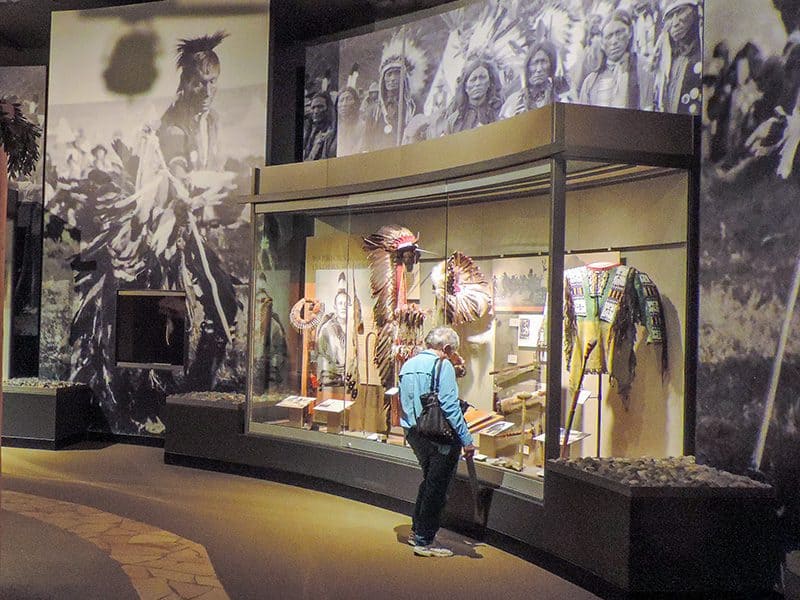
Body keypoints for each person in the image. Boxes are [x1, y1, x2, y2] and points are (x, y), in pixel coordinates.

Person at [399, 326, 475, 557]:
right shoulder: (443, 366)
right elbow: (450, 406)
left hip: (413, 432)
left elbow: (403, 401)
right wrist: (466, 439)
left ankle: (418, 531)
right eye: (453, 352)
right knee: (438, 487)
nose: (454, 356)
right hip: (437, 435)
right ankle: (424, 540)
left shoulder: (408, 364)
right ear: (447, 348)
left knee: (430, 480)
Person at [578, 10, 644, 110]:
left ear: (630, 32)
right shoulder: (590, 81)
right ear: (602, 43)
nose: (614, 41)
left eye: (619, 33)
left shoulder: (642, 70)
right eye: (609, 36)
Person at [652, 0, 702, 114]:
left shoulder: (700, 56)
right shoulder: (665, 60)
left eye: (680, 12)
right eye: (671, 16)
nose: (675, 23)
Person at [501, 41, 567, 118]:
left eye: (544, 62)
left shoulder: (561, 99)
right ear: (528, 68)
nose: (539, 69)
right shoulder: (514, 101)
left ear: (551, 66)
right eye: (535, 63)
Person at [443, 57, 504, 135]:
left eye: (482, 77)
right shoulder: (453, 121)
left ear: (489, 82)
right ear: (465, 86)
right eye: (473, 79)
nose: (478, 83)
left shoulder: (499, 110)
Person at [316, 280, 348, 388]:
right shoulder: (326, 329)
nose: (343, 307)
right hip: (331, 382)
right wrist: (332, 367)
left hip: (349, 381)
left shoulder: (353, 328)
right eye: (340, 303)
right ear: (335, 306)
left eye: (346, 303)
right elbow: (319, 355)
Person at [302, 91, 337, 161]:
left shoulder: (334, 133)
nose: (316, 111)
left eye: (320, 106)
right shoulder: (309, 133)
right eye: (313, 108)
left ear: (328, 108)